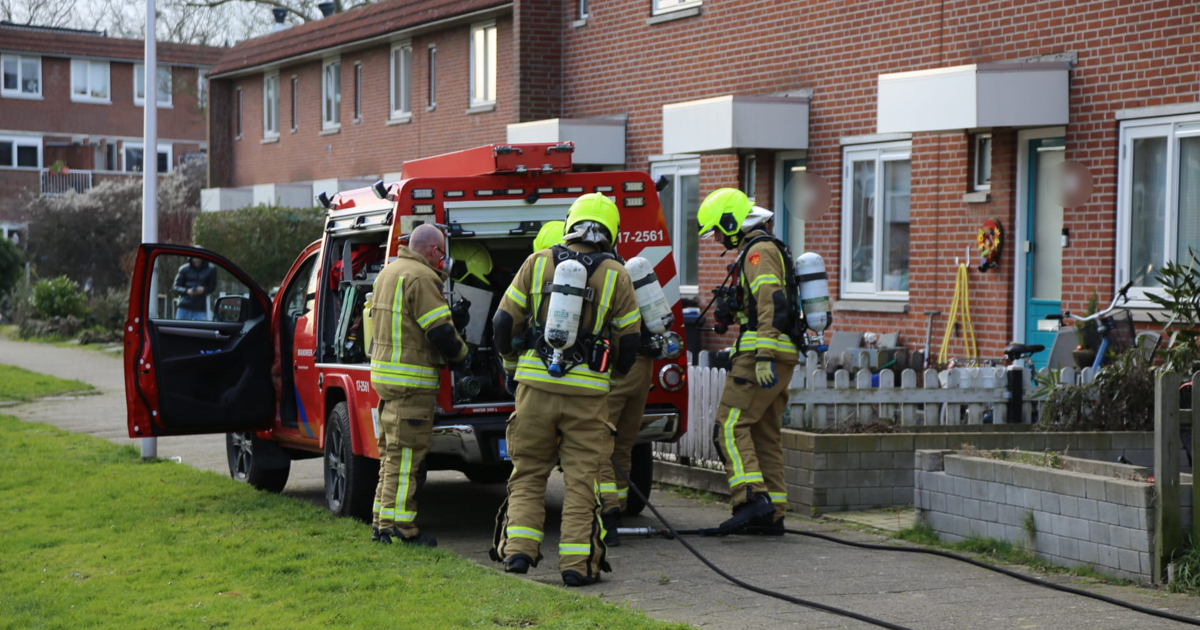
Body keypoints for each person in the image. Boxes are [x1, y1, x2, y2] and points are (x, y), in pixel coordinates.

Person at [490, 193, 641, 587]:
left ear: (571, 221)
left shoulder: (537, 262)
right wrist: (610, 381)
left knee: (528, 471)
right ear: (610, 230)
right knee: (581, 479)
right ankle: (578, 566)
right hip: (588, 397)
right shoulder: (617, 275)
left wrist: (512, 366)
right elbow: (630, 344)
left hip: (534, 388)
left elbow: (504, 324)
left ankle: (518, 553)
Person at [697, 188, 799, 535]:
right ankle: (772, 515)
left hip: (760, 355)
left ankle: (751, 500)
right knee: (763, 433)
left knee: (728, 427)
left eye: (717, 229)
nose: (715, 237)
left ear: (731, 221)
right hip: (776, 354)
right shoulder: (763, 248)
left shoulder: (759, 252)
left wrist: (764, 355)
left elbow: (771, 302)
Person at [369, 224, 470, 547]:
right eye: (442, 253)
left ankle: (381, 523)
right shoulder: (423, 277)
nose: (443, 260)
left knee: (391, 457)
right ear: (432, 250)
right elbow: (439, 332)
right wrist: (463, 355)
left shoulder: (391, 271)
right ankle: (401, 529)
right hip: (412, 385)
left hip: (388, 383)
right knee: (407, 459)